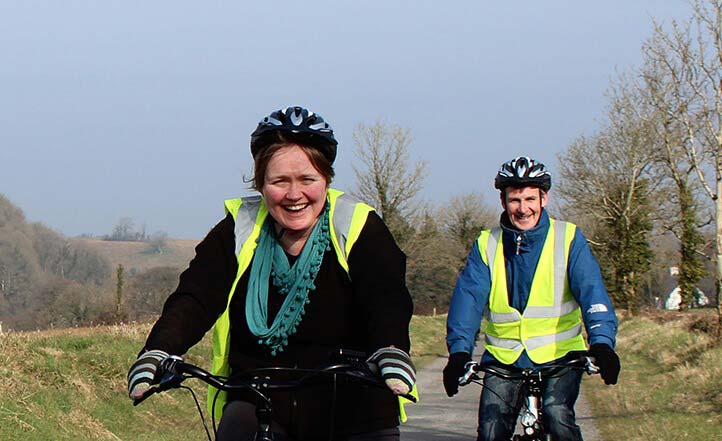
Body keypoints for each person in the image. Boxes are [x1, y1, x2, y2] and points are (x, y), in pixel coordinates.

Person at [126, 106, 417, 440]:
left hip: (353, 396)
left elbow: (385, 296)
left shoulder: (356, 224)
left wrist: (391, 348)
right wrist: (158, 351)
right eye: (280, 181)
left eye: (308, 180)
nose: (295, 195)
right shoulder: (240, 228)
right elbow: (195, 296)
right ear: (261, 185)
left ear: (326, 180)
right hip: (260, 395)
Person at [441, 156, 622, 441]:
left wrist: (602, 344)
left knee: (557, 414)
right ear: (503, 202)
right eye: (514, 200)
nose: (523, 209)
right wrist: (459, 353)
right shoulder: (487, 243)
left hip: (560, 355)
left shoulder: (568, 237)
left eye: (529, 199)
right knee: (490, 430)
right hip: (505, 357)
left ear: (544, 198)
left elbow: (592, 292)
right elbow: (468, 300)